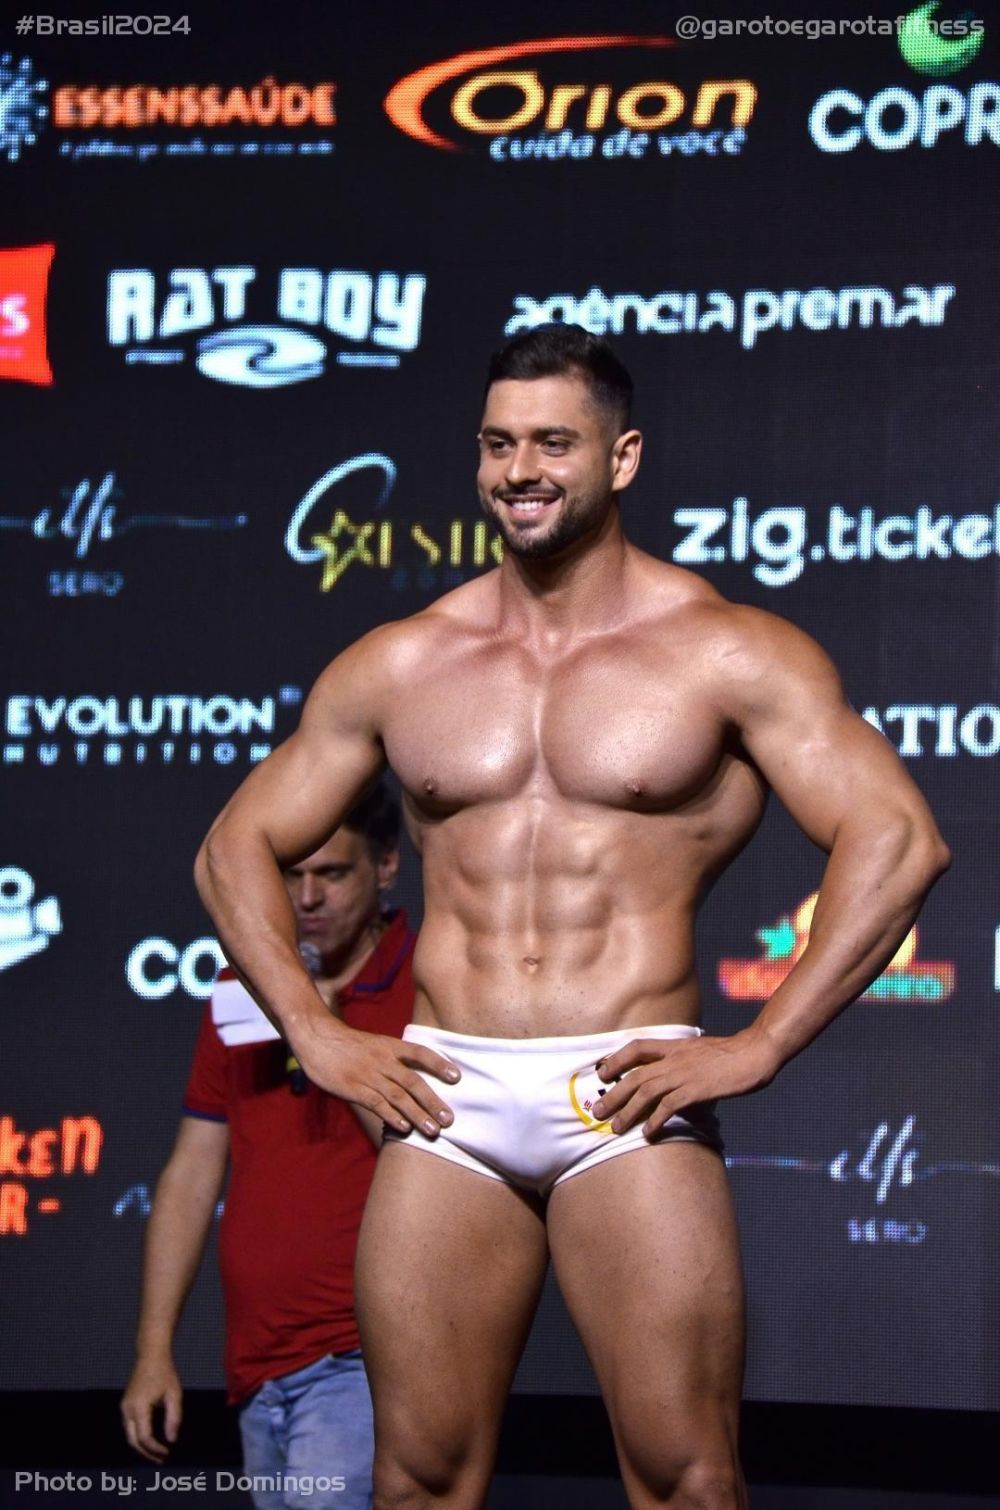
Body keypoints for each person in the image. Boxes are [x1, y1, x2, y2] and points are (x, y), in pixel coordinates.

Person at [194, 325, 950, 1510]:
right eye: (497, 444)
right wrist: (315, 1028)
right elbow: (230, 845)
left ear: (622, 456)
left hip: (621, 1095)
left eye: (552, 441)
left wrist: (761, 1042)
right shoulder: (406, 659)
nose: (519, 470)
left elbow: (897, 838)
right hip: (449, 1097)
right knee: (417, 1478)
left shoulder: (724, 651)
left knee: (687, 1476)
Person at [122, 785, 414, 1510]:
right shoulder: (244, 985)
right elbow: (193, 1170)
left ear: (385, 866)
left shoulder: (429, 977)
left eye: (332, 873)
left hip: (367, 1355)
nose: (308, 898)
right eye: (291, 875)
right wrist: (154, 1349)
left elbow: (428, 1163)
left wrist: (325, 1030)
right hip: (256, 1366)